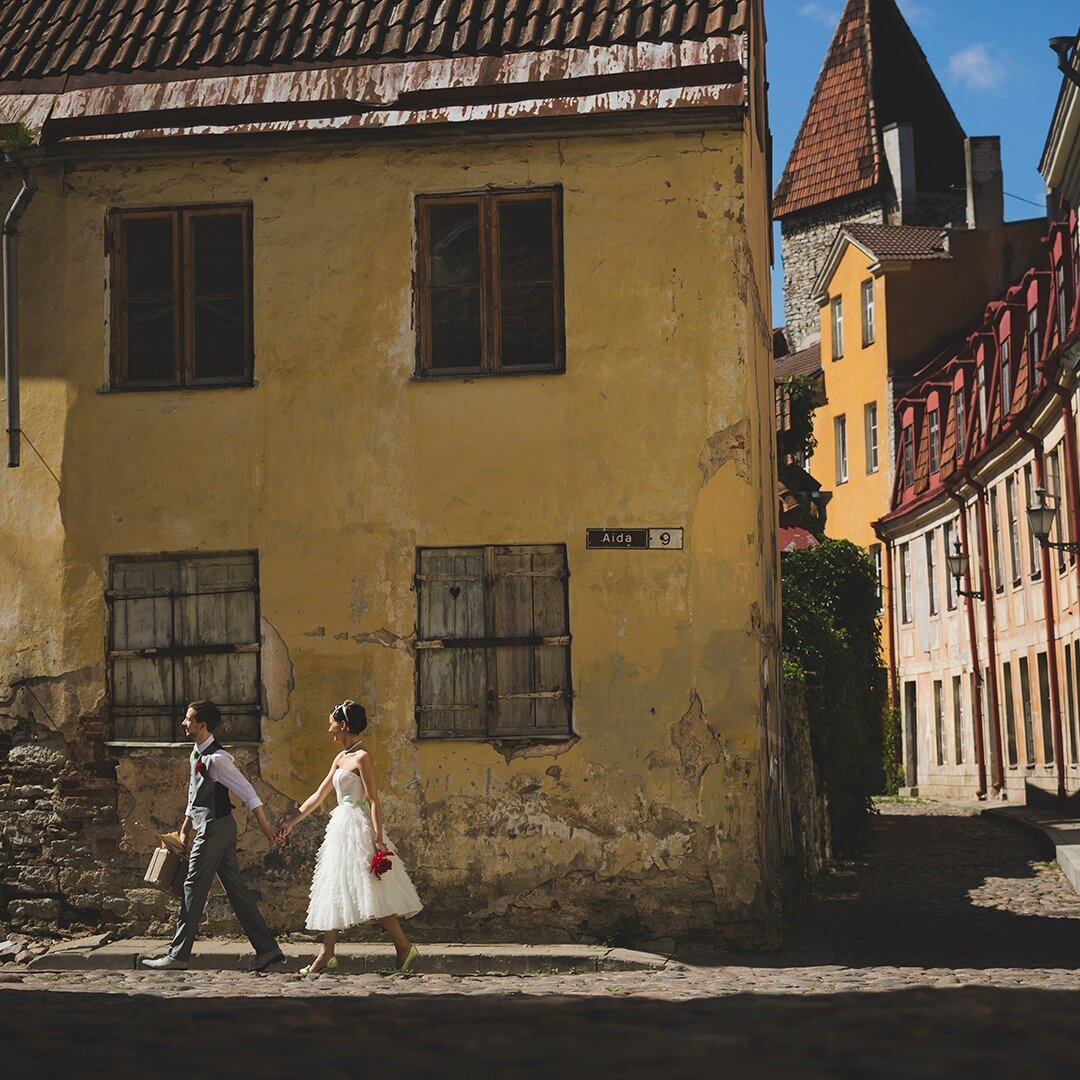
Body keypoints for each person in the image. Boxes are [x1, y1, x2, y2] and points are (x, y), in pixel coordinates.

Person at [279, 700, 421, 974]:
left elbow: (374, 800)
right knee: (336, 884)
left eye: (331, 724)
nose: (329, 729)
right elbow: (320, 795)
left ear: (343, 725)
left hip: (358, 826)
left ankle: (402, 946)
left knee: (373, 887)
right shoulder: (340, 757)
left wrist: (379, 839)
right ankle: (328, 952)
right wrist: (291, 821)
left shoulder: (361, 757)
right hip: (340, 826)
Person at [142, 700, 285, 973]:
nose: (184, 723)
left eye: (188, 719)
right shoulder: (196, 753)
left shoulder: (218, 759)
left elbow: (249, 792)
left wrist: (265, 826)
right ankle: (268, 950)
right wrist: (185, 829)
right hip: (211, 826)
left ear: (202, 725)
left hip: (215, 828)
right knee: (236, 889)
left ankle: (177, 955)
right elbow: (193, 796)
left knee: (192, 886)